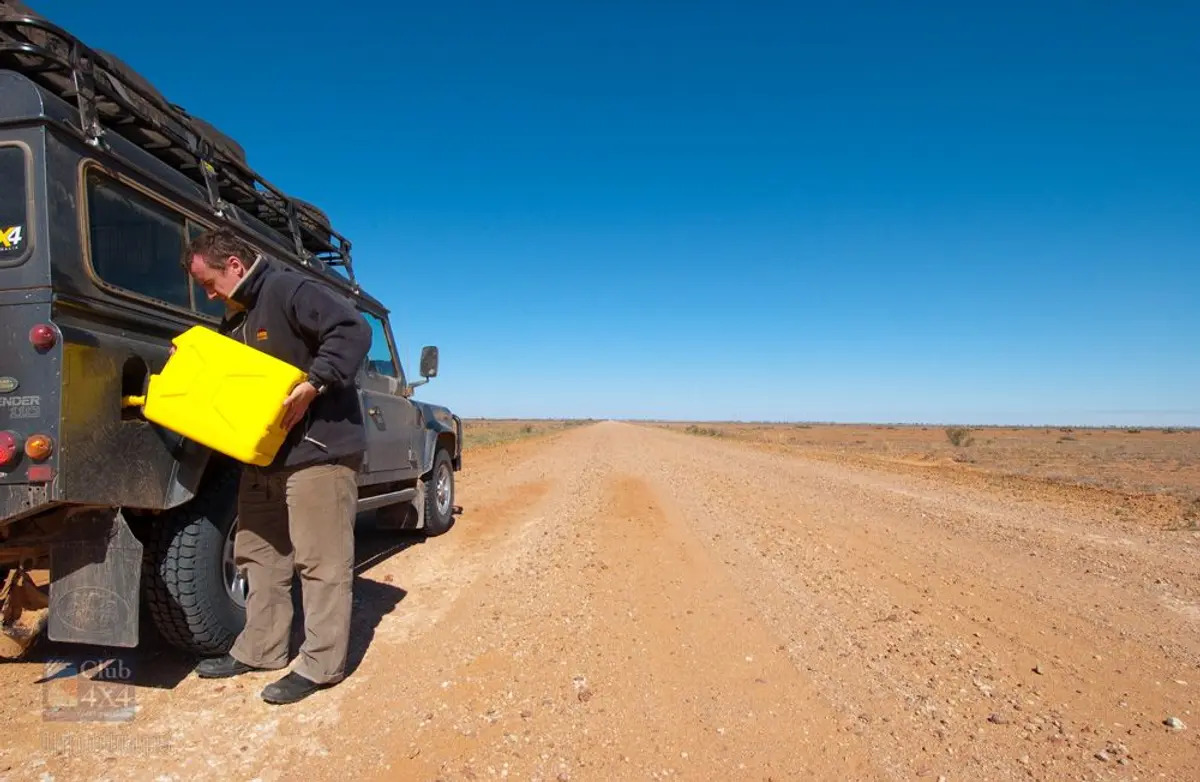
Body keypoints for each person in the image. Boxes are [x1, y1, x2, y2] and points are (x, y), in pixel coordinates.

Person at [180, 227, 372, 705]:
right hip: (264, 458)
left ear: (235, 268)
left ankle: (321, 664)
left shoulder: (287, 289)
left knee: (321, 561)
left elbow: (353, 329)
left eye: (209, 283)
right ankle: (261, 648)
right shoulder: (236, 320)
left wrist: (315, 382)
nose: (208, 294)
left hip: (318, 453)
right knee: (258, 555)